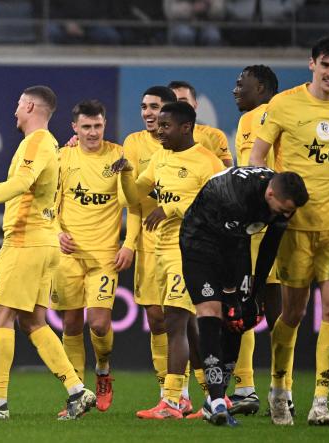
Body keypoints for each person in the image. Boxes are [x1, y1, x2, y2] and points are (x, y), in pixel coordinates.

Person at [0, 85, 96, 421]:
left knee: (0, 316)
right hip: (42, 243)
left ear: (29, 106)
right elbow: (21, 187)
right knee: (33, 322)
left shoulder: (37, 141)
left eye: (17, 104)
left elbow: (21, 183)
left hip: (25, 242)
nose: (14, 111)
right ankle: (77, 391)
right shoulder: (45, 145)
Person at [250, 35, 329, 426]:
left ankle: (321, 401)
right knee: (293, 313)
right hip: (295, 227)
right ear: (312, 64)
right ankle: (280, 390)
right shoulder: (284, 104)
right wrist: (268, 203)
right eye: (326, 65)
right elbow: (258, 158)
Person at [116, 101, 225, 419]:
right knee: (189, 326)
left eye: (165, 126)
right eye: (157, 125)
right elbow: (132, 197)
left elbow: (218, 207)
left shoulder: (208, 163)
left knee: (174, 321)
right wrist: (125, 174)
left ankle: (173, 401)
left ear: (186, 127)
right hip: (161, 251)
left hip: (190, 251)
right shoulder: (161, 157)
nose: (158, 131)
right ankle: (213, 396)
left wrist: (173, 208)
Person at [180, 166, 309, 426]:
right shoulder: (236, 196)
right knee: (211, 311)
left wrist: (256, 292)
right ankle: (215, 399)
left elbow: (269, 246)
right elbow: (231, 248)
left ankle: (215, 401)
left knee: (238, 320)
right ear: (270, 193)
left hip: (235, 244)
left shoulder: (281, 199)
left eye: (290, 211)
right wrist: (232, 294)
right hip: (199, 242)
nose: (286, 214)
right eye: (283, 210)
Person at [51, 100, 133, 416]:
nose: (92, 132)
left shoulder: (118, 156)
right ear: (75, 128)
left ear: (104, 124)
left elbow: (132, 204)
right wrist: (57, 232)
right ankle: (76, 394)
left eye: (97, 126)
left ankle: (102, 369)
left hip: (104, 256)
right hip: (68, 255)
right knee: (71, 323)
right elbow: (49, 203)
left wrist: (129, 243)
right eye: (86, 127)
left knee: (98, 324)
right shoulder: (62, 157)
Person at [228, 64, 281, 416]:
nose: (235, 90)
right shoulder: (263, 117)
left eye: (240, 84)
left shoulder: (260, 117)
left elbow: (254, 172)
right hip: (274, 222)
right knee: (268, 307)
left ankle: (254, 387)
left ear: (260, 88)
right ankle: (274, 387)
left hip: (260, 226)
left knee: (250, 303)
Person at [168, 80, 234, 167]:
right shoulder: (156, 137)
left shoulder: (214, 135)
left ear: (195, 105)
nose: (178, 107)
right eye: (173, 102)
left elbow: (228, 173)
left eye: (183, 102)